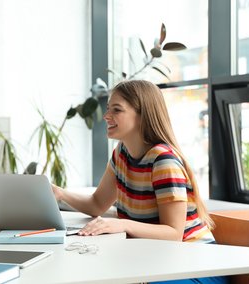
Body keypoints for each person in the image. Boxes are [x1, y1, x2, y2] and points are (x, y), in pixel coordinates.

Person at [52, 80, 227, 284]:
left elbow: (174, 234)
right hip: (160, 261)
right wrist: (60, 194)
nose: (107, 116)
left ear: (143, 115)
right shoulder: (121, 154)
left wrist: (122, 225)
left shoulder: (163, 161)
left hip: (196, 266)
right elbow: (97, 204)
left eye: (116, 110)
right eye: (108, 109)